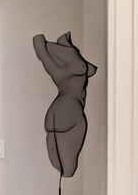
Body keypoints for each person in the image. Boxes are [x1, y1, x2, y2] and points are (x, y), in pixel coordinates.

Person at [33, 32, 97, 178]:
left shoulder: (58, 71)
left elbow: (41, 52)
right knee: (68, 170)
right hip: (71, 109)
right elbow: (91, 70)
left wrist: (49, 44)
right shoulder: (74, 65)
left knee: (65, 168)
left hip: (56, 110)